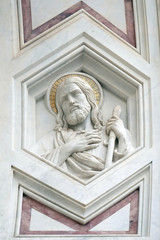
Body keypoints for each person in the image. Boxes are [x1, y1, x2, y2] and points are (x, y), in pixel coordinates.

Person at [33, 76, 133, 180]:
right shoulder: (53, 139)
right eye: (64, 99)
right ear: (61, 109)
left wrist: (122, 138)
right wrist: (70, 147)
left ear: (88, 97)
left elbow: (130, 170)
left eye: (75, 94)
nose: (71, 101)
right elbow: (34, 170)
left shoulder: (113, 133)